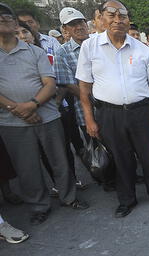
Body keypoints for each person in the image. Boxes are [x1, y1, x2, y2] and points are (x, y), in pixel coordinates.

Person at [76, 0, 149, 218]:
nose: (118, 20)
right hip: (109, 114)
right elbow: (84, 89)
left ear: (129, 20)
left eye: (123, 16)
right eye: (112, 15)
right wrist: (89, 120)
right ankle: (126, 200)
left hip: (141, 112)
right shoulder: (89, 47)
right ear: (101, 17)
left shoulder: (142, 49)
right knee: (121, 158)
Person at [0, 2, 88, 225]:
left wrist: (31, 105)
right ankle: (39, 205)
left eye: (8, 16)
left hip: (46, 115)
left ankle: (69, 197)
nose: (4, 19)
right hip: (11, 121)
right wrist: (19, 110)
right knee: (26, 166)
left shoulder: (35, 51)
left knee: (60, 160)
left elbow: (50, 84)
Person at [54, 7, 91, 183]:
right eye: (72, 24)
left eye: (80, 22)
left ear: (87, 23)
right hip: (85, 109)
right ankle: (108, 179)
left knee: (118, 143)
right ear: (65, 29)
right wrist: (94, 99)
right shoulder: (62, 52)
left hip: (111, 106)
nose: (78, 27)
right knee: (96, 145)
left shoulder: (99, 43)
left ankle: (125, 174)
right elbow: (69, 83)